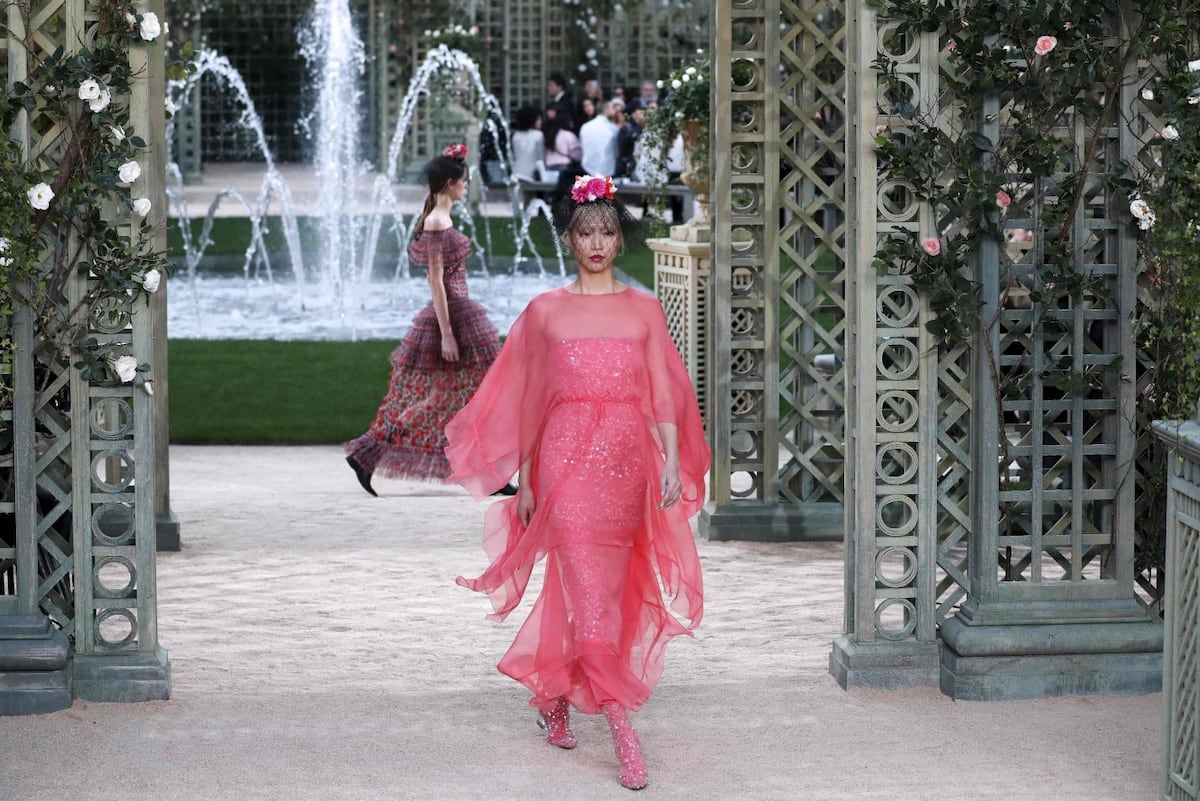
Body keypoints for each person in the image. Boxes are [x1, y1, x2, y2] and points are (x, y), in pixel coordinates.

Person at [446, 174, 709, 791]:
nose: (597, 243)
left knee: (605, 596)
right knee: (588, 591)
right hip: (565, 463)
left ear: (620, 240)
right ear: (569, 238)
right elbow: (532, 403)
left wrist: (670, 459)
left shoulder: (643, 309)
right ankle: (623, 735)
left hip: (626, 466)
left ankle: (555, 696)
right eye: (586, 232)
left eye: (608, 233)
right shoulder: (544, 313)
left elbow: (665, 391)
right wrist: (529, 478)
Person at [344, 144, 516, 497]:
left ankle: (370, 451)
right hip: (452, 317)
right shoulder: (438, 221)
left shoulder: (442, 218)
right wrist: (448, 334)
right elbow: (435, 281)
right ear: (450, 183)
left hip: (457, 314)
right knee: (469, 396)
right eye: (464, 182)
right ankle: (371, 450)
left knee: (459, 397)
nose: (466, 187)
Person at [579, 98, 622, 177]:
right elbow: (617, 151)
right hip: (607, 170)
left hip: (587, 168)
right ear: (606, 110)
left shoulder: (585, 126)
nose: (615, 111)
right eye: (612, 108)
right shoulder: (613, 128)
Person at [509, 105, 545, 181]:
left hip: (517, 173)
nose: (540, 122)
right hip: (531, 174)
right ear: (532, 120)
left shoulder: (515, 136)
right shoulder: (538, 135)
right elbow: (540, 159)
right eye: (538, 119)